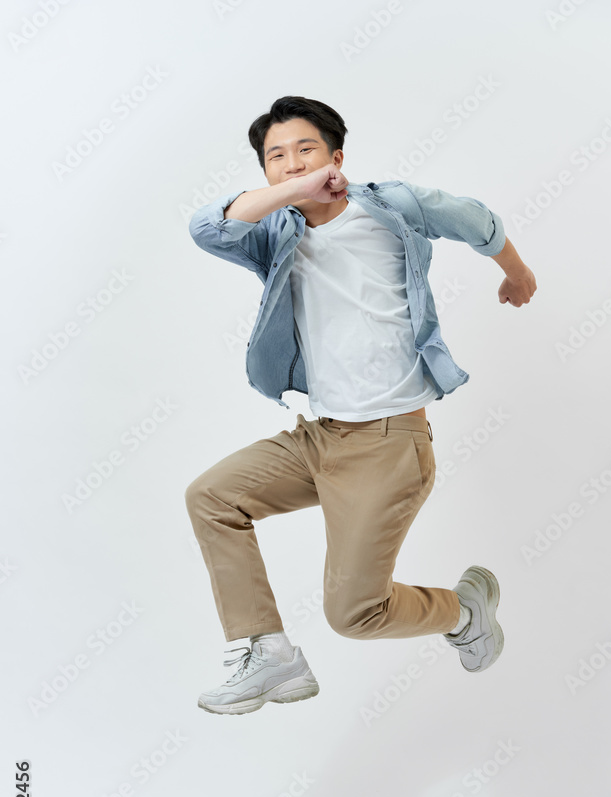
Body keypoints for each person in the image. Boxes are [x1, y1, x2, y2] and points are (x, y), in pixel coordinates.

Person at [185, 95, 537, 716]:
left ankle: (463, 610)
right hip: (320, 439)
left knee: (354, 615)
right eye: (276, 157)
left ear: (336, 157)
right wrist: (291, 192)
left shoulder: (390, 207)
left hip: (389, 445)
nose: (291, 163)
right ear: (264, 174)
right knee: (212, 497)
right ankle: (268, 653)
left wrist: (517, 273)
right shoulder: (273, 233)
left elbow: (475, 219)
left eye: (306, 150)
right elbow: (207, 228)